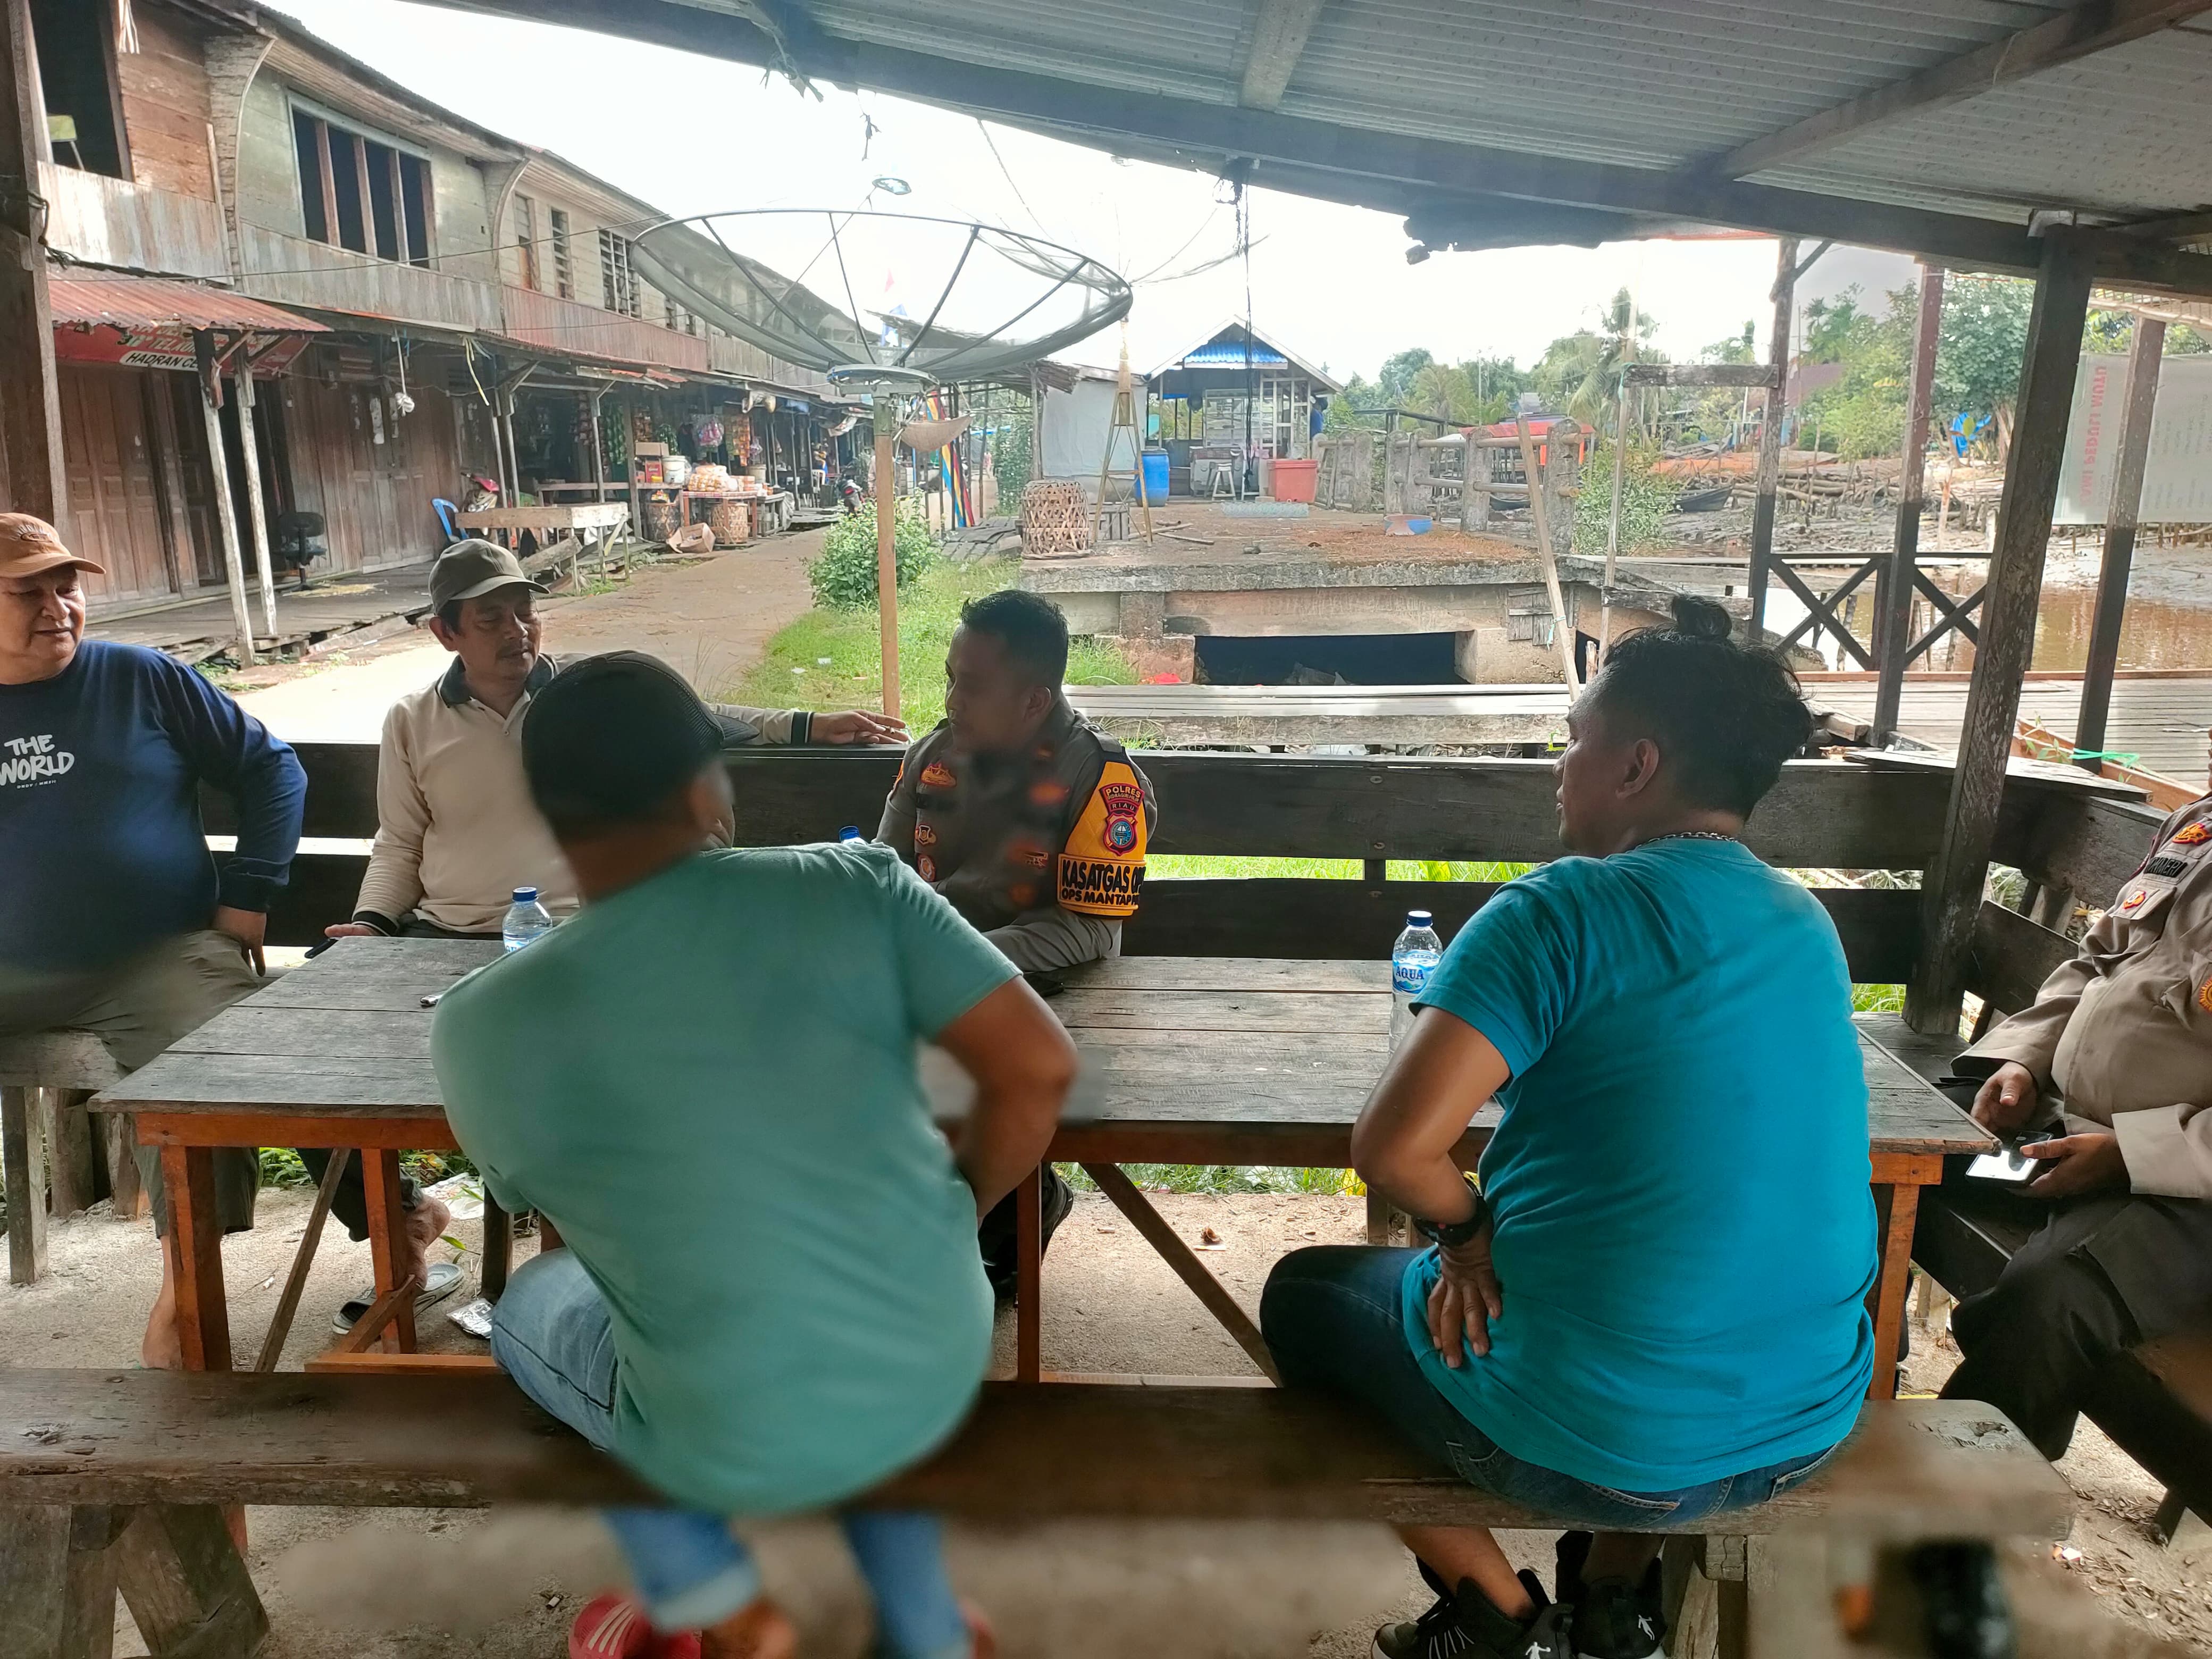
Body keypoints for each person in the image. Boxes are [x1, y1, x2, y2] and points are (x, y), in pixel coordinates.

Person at [1260, 596, 1872, 1659]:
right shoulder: (1803, 923)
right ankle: (1612, 1604)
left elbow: (1394, 1151)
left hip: (1597, 1443)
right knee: (1655, 1305)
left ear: (1636, 766)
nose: (1560, 761)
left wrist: (1467, 1236)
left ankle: (1500, 1621)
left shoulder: (1560, 912)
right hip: (1804, 1423)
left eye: (1575, 737)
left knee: (1304, 1298)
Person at [432, 652, 1076, 1659]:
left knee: (534, 1305)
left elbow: (536, 1199)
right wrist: (955, 1213)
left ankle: (728, 1606)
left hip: (730, 1408)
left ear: (549, 817)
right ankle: (916, 1624)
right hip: (935, 1347)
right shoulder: (859, 885)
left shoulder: (482, 1024)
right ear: (708, 791)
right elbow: (1038, 1069)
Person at [310, 541, 902, 1328]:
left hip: (577, 936)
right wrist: (371, 925)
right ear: (445, 632)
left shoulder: (578, 708)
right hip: (447, 935)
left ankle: (582, 1266)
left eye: (526, 612)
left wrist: (806, 722)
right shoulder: (413, 721)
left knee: (591, 1064)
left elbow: (691, 718)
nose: (518, 631)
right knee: (310, 1046)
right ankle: (403, 1217)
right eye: (492, 618)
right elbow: (399, 842)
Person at [0, 513, 307, 1369]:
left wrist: (248, 895)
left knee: (225, 1067)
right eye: (28, 592)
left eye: (67, 586)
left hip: (154, 956)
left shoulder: (142, 679)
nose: (58, 607)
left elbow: (272, 768)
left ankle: (186, 1288)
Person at [877, 588, 1157, 1296]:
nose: (951, 701)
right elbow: (883, 879)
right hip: (935, 980)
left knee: (979, 1078)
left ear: (1035, 700)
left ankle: (1012, 1209)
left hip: (1053, 997)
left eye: (971, 687)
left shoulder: (1101, 779)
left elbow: (1088, 930)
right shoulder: (933, 756)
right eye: (950, 679)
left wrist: (948, 963)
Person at [1936, 757, 2212, 1462]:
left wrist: (2128, 1156)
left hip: (2184, 1197)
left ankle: (1960, 1502)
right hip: (2064, 1133)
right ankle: (1850, 1382)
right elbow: (2098, 963)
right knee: (1903, 1145)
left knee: (2048, 1301)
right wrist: (2024, 1061)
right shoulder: (2198, 827)